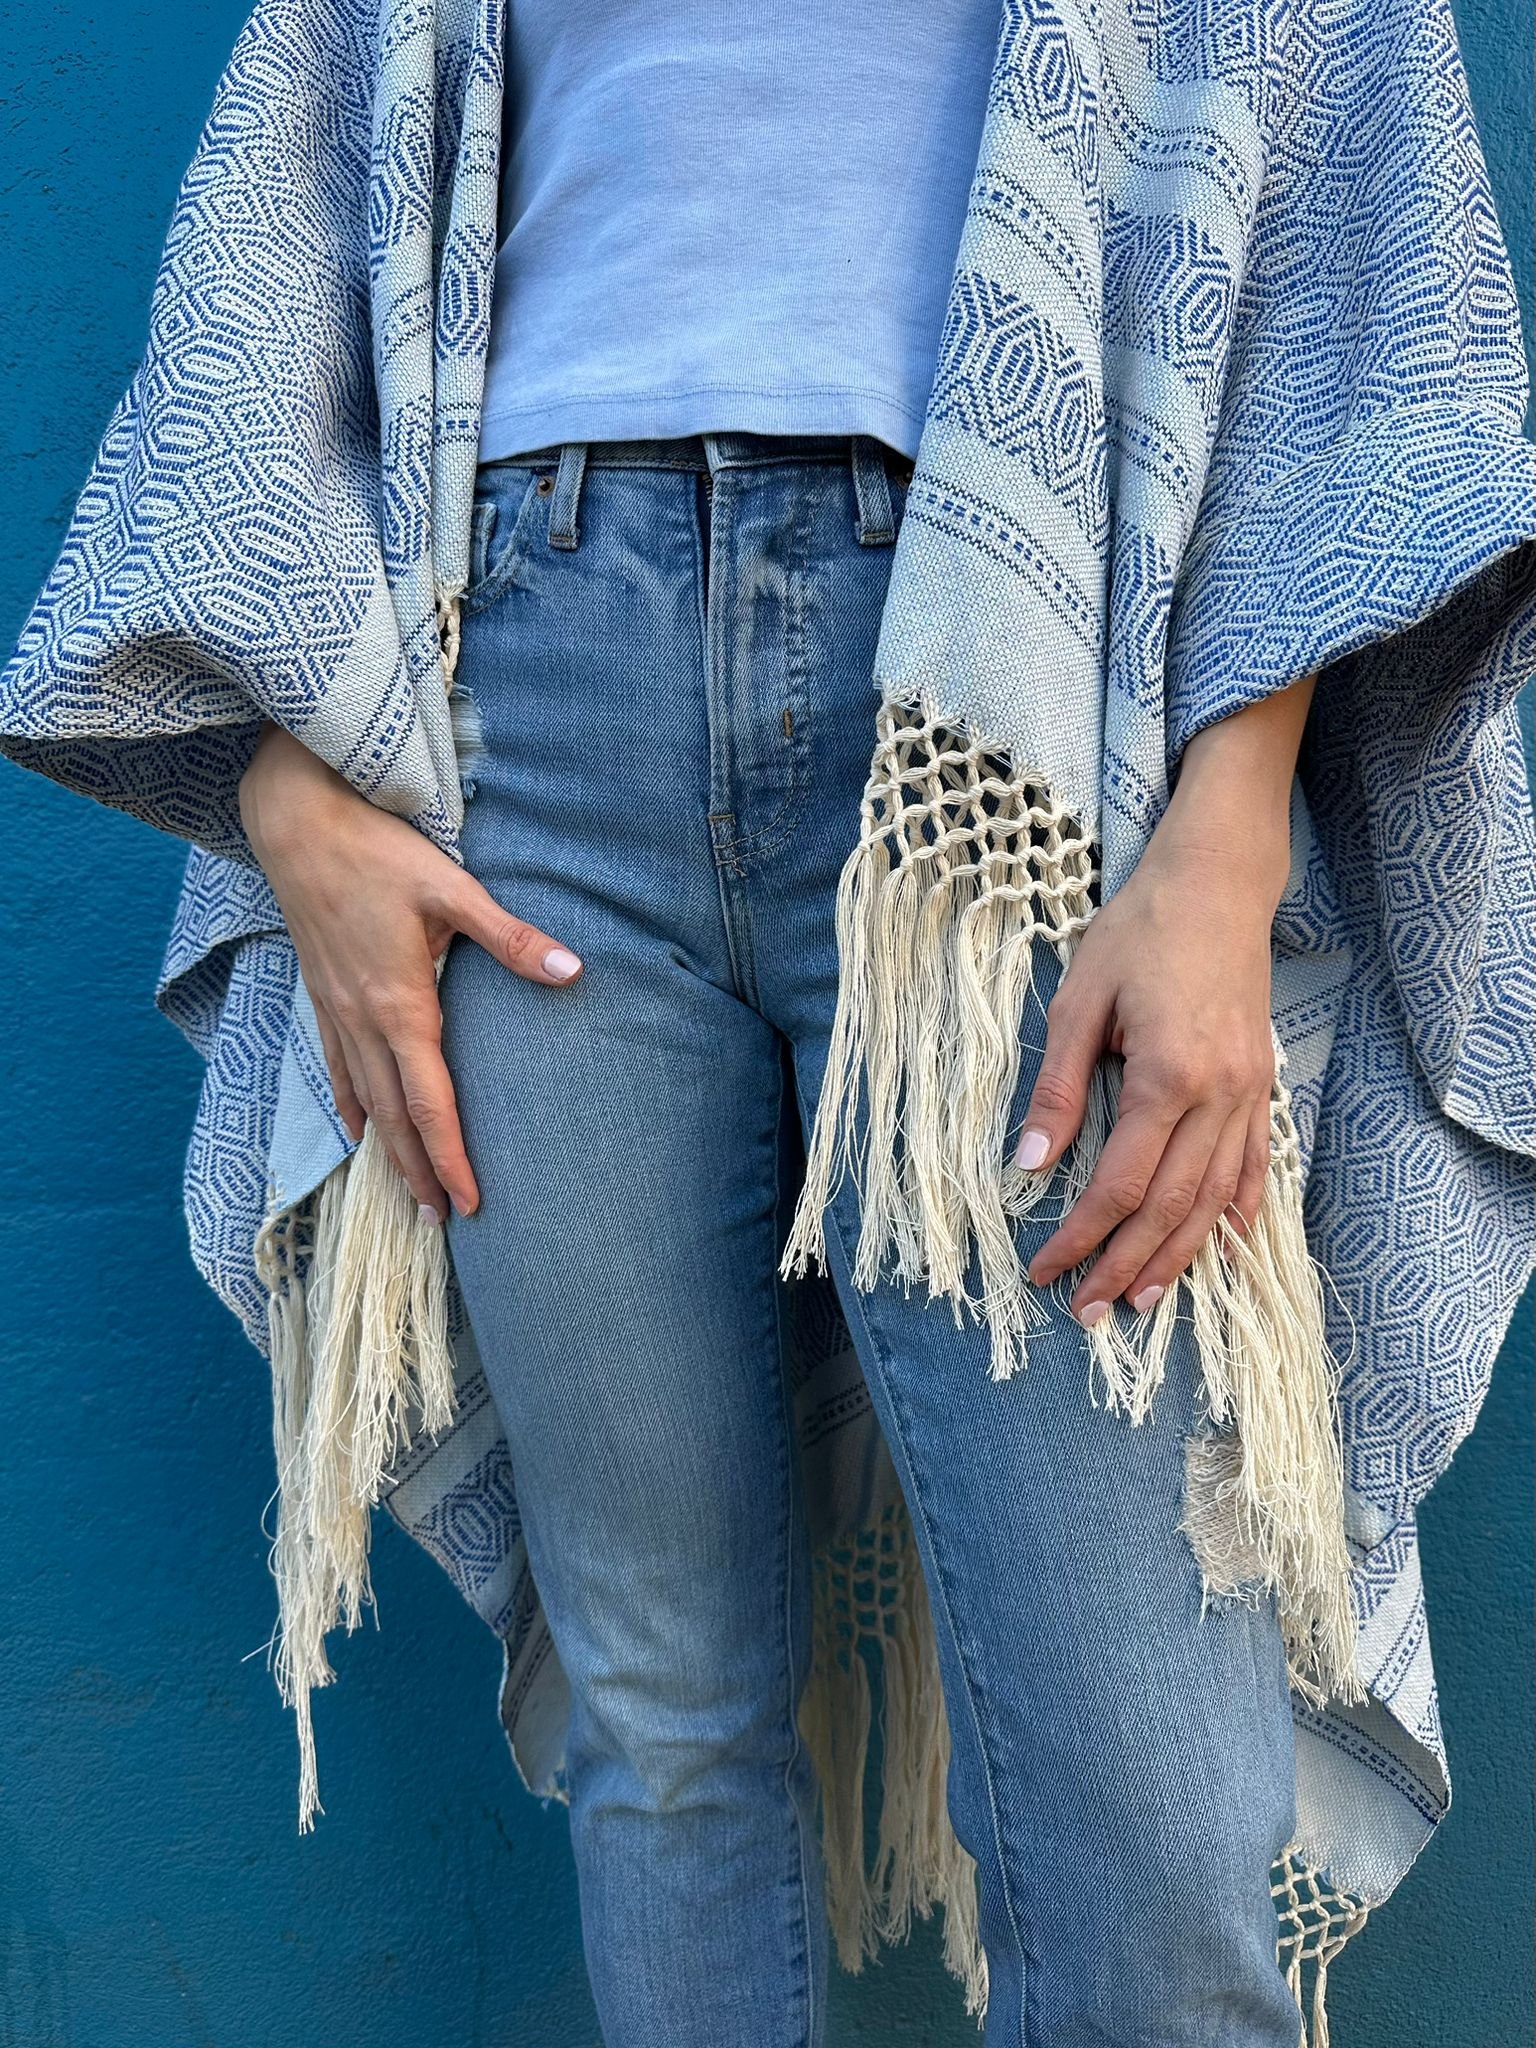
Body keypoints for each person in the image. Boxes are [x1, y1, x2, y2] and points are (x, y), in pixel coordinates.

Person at [5, 3, 1536, 2044]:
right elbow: (295, 207)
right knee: (661, 1727)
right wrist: (290, 796)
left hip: (1009, 710)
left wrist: (1231, 827)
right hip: (525, 712)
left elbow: (1331, 166)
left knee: (1152, 1807)